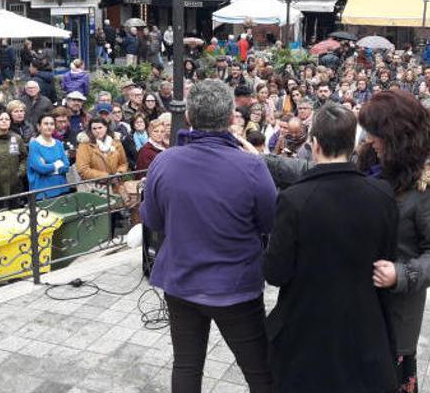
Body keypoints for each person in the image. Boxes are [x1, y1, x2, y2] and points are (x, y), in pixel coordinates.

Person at [141, 80, 277, 392]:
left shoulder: (165, 161)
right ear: (232, 117)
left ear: (188, 116)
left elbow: (153, 219)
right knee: (260, 371)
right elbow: (269, 221)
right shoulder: (252, 167)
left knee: (187, 366)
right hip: (235, 287)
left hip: (182, 283)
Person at [264, 103, 398, 393]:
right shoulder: (382, 195)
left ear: (315, 145)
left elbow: (275, 273)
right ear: (352, 145)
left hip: (305, 331)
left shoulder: (294, 200)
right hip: (363, 330)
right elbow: (387, 259)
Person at [361, 91, 430, 393]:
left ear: (396, 137)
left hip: (396, 312)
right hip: (358, 306)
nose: (370, 141)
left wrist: (401, 274)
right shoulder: (370, 165)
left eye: (376, 135)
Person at [75, 117, 129, 191]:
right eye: (94, 128)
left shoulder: (116, 143)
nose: (97, 131)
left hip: (116, 186)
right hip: (94, 188)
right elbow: (83, 169)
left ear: (106, 127)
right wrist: (106, 177)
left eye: (100, 127)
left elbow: (123, 163)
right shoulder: (84, 145)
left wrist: (119, 172)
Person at [27, 114, 70, 199]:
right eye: (46, 124)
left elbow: (66, 166)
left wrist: (49, 166)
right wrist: (57, 164)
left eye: (52, 124)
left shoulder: (58, 143)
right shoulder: (34, 145)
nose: (49, 126)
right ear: (39, 126)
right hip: (43, 192)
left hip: (61, 188)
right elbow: (41, 168)